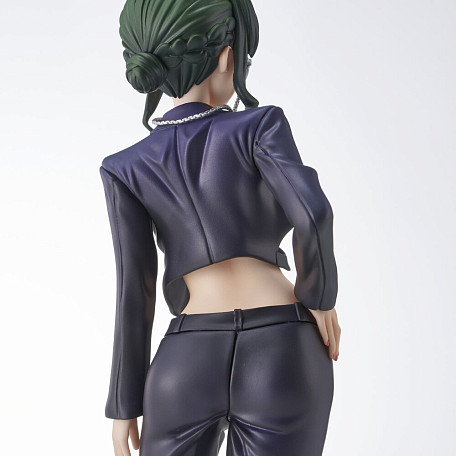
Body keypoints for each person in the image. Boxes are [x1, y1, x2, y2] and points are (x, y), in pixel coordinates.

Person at [99, 0, 341, 454]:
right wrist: (320, 296)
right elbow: (314, 213)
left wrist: (123, 404)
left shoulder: (124, 167)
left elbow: (135, 291)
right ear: (228, 56)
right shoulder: (260, 125)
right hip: (282, 344)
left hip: (186, 355)